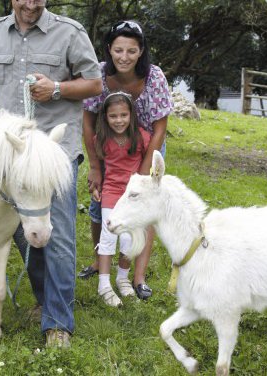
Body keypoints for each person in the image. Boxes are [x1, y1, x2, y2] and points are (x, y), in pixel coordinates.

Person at [0, 0, 102, 348]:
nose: (31, 3)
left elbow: (94, 84)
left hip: (52, 153)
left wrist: (57, 88)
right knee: (25, 234)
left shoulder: (70, 32)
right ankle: (44, 300)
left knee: (56, 239)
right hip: (8, 155)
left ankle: (58, 324)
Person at [79, 20, 174, 300]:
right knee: (101, 207)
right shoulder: (98, 74)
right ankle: (100, 261)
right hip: (108, 148)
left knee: (144, 212)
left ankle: (138, 277)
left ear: (141, 51)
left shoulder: (154, 77)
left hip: (147, 149)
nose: (124, 57)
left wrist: (142, 177)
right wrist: (96, 167)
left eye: (131, 51)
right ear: (109, 49)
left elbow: (159, 129)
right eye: (118, 50)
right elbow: (87, 123)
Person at [91, 92, 150, 307]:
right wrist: (97, 187)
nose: (119, 120)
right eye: (113, 116)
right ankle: (104, 284)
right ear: (105, 117)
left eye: (124, 115)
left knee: (129, 239)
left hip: (132, 196)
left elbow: (149, 165)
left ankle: (122, 278)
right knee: (108, 234)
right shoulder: (101, 139)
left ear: (132, 115)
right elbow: (98, 166)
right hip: (111, 192)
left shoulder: (142, 137)